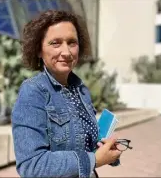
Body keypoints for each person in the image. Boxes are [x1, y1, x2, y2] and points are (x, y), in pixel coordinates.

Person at [11, 10, 122, 178]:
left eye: (72, 42)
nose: (67, 52)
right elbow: (31, 165)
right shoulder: (33, 92)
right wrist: (94, 160)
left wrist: (105, 151)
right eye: (56, 43)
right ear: (39, 50)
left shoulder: (81, 89)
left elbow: (83, 145)